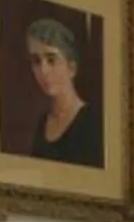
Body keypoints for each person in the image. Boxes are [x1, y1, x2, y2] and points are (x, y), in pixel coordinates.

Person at [10, 16, 104, 166]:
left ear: (71, 67)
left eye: (51, 60)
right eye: (36, 61)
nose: (43, 70)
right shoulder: (43, 123)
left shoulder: (92, 122)